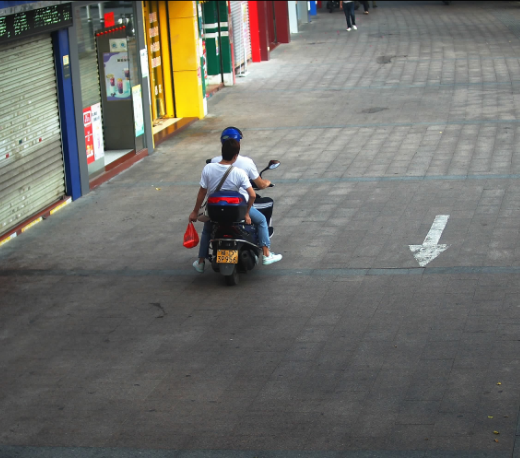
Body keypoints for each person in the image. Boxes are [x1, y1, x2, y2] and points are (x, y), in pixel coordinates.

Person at [189, 139, 282, 273]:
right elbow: (253, 195)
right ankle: (267, 254)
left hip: (214, 212)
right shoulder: (238, 172)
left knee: (207, 230)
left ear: (222, 152)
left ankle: (201, 261)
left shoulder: (208, 168)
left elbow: (202, 193)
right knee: (261, 221)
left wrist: (195, 211)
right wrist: (247, 213)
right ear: (235, 156)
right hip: (236, 211)